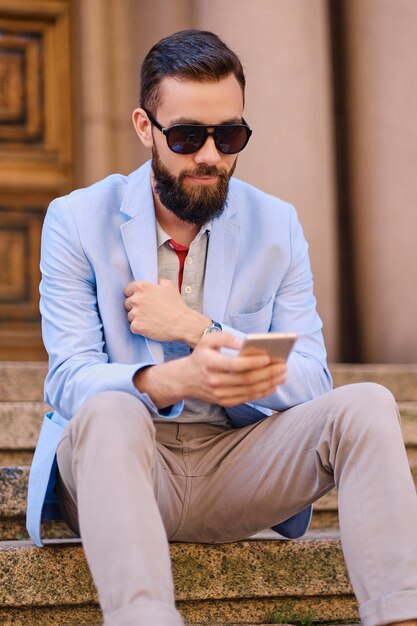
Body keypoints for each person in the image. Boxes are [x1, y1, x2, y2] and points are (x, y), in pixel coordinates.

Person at [27, 29, 417, 626]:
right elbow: (69, 381)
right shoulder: (76, 220)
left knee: (366, 404)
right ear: (143, 127)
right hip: (125, 467)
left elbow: (312, 379)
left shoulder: (277, 224)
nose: (210, 155)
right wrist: (173, 378)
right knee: (107, 409)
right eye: (185, 136)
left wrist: (200, 331)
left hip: (239, 467)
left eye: (228, 135)